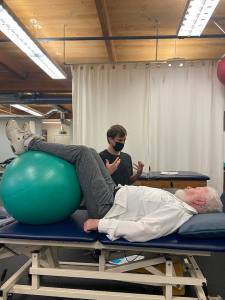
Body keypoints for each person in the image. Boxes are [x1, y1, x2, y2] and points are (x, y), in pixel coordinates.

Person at [5, 120, 223, 242]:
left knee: (81, 153)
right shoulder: (179, 205)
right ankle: (30, 142)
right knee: (89, 151)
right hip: (114, 194)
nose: (191, 186)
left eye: (197, 190)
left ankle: (29, 143)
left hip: (107, 207)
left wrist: (101, 224)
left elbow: (144, 230)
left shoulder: (179, 212)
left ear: (200, 204)